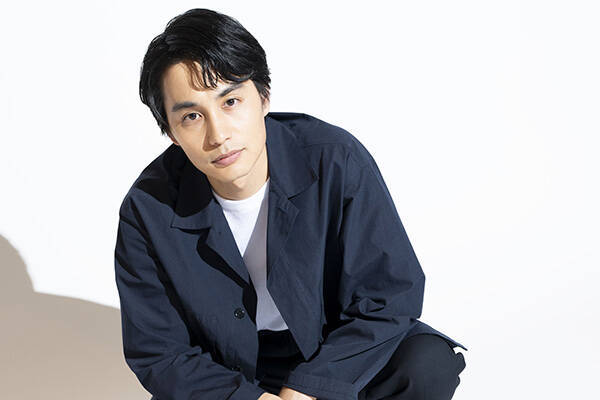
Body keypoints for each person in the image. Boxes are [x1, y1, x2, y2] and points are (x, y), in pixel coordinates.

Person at [114, 8, 467, 400]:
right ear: (171, 132)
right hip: (229, 371)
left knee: (426, 364)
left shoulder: (335, 159)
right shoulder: (147, 209)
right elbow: (159, 352)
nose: (218, 135)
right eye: (193, 116)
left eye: (231, 101)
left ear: (263, 97)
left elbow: (390, 296)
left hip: (335, 349)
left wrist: (307, 388)